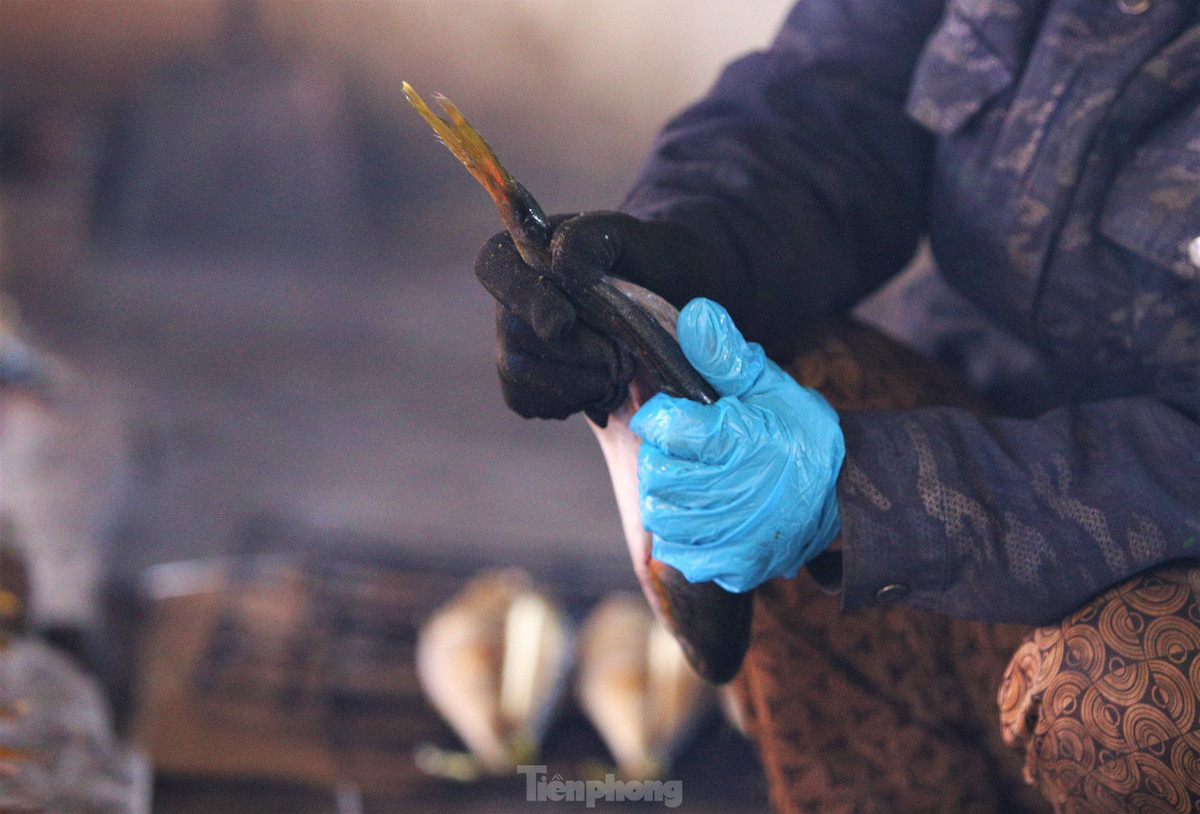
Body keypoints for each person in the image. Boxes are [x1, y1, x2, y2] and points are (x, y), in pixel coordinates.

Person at [475, 2, 1200, 811]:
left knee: (1133, 692)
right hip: (988, 423)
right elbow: (831, 96)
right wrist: (683, 253)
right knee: (789, 379)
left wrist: (870, 496)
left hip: (1161, 560)